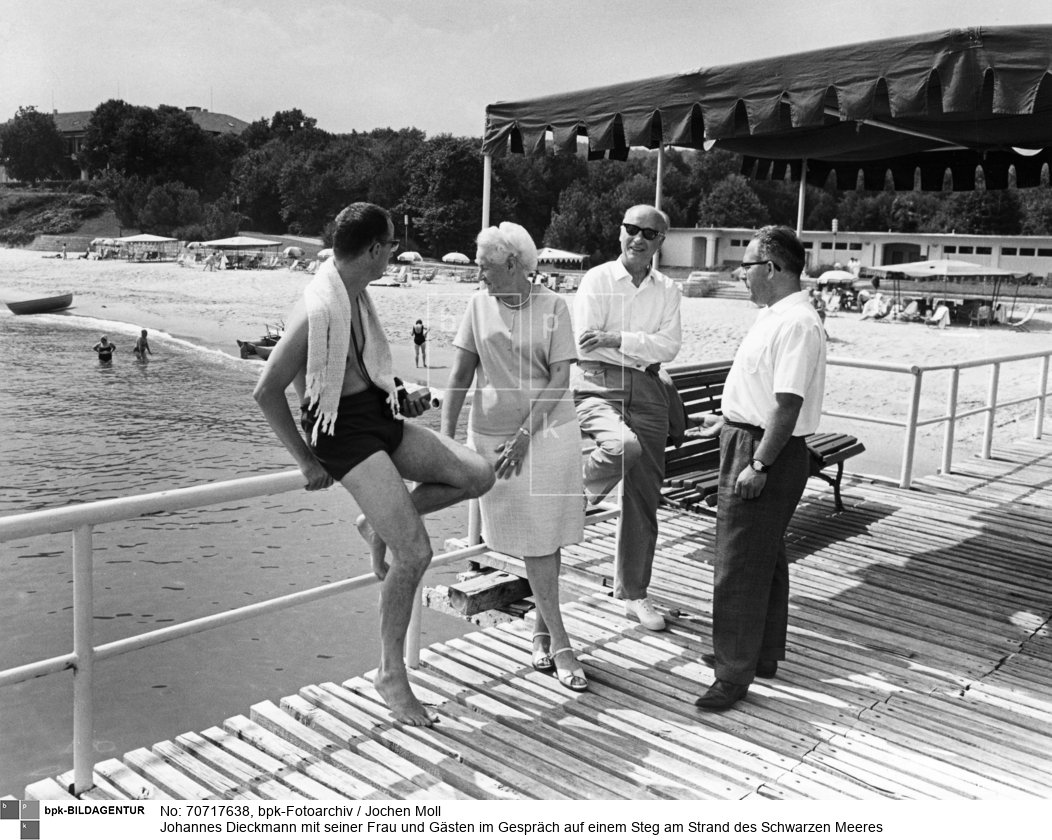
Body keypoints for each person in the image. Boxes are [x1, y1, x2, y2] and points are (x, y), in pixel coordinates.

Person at [252, 202, 494, 726]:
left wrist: (402, 394)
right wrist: (306, 462)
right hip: (342, 435)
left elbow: (363, 370)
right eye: (389, 245)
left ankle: (375, 522)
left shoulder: (355, 295)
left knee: (478, 473)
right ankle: (391, 673)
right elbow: (267, 391)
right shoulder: (316, 311)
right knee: (414, 553)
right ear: (372, 250)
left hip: (378, 414)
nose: (393, 253)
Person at [442, 222, 587, 691]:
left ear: (511, 264)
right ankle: (550, 634)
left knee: (544, 537)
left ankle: (552, 637)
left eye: (483, 264)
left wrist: (527, 434)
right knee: (535, 539)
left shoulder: (554, 306)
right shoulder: (477, 305)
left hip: (547, 436)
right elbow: (460, 375)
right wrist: (445, 440)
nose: (478, 272)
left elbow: (560, 378)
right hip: (494, 439)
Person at [692, 226, 827, 711]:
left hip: (765, 451)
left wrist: (759, 463)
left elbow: (787, 406)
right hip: (748, 438)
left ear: (770, 269)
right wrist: (725, 419)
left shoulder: (796, 323)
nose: (740, 273)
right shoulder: (778, 315)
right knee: (764, 559)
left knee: (737, 565)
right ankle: (759, 653)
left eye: (746, 265)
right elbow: (763, 391)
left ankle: (731, 674)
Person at [572, 204, 682, 632]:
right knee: (624, 447)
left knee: (644, 496)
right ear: (619, 232)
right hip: (598, 383)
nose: (638, 238)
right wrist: (641, 345)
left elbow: (669, 347)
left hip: (649, 388)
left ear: (660, 242)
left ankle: (634, 593)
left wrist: (617, 338)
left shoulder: (667, 289)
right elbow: (586, 341)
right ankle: (577, 495)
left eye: (649, 233)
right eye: (631, 229)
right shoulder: (598, 279)